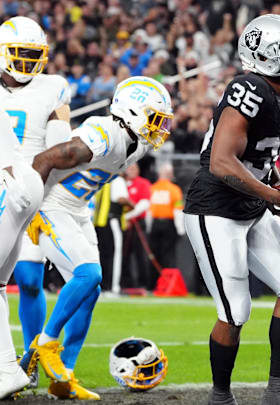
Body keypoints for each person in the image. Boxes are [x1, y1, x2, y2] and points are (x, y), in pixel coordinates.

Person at [182, 15, 280, 405]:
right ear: (260, 53)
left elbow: (262, 155)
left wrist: (279, 185)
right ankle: (220, 396)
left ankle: (277, 390)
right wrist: (276, 198)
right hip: (215, 206)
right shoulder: (249, 87)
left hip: (252, 202)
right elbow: (223, 162)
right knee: (235, 309)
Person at [23, 76, 173, 400]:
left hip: (77, 209)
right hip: (50, 203)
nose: (159, 128)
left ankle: (63, 373)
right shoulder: (103, 133)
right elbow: (45, 160)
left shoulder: (139, 142)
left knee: (90, 291)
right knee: (88, 273)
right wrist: (30, 206)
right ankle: (45, 343)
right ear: (132, 112)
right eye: (155, 119)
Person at [0, 17, 72, 389]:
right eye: (20, 54)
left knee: (28, 278)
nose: (27, 63)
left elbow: (61, 143)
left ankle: (26, 358)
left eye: (34, 55)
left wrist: (46, 197)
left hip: (31, 188)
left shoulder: (53, 86)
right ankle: (7, 365)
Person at [0, 110, 45, 397]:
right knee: (0, 286)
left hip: (10, 182)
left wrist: (8, 177)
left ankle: (7, 370)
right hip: (22, 180)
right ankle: (7, 370)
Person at [149, 163, 185, 276]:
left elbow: (149, 211)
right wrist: (181, 230)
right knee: (169, 254)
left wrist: (149, 227)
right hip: (169, 224)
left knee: (154, 254)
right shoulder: (174, 190)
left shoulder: (152, 188)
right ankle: (168, 281)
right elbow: (178, 210)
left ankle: (153, 283)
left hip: (154, 224)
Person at [122, 163, 152, 291]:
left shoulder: (143, 183)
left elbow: (144, 203)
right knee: (124, 255)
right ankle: (125, 282)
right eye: (129, 168)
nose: (131, 171)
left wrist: (128, 216)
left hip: (138, 223)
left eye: (134, 168)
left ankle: (143, 284)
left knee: (141, 255)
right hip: (124, 225)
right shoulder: (121, 183)